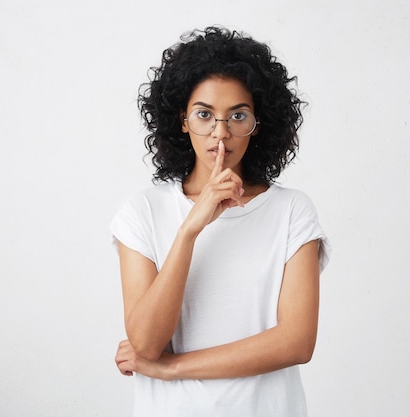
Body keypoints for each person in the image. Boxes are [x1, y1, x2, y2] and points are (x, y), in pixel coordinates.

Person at [110, 26, 331, 417]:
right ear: (182, 119)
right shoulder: (142, 211)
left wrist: (172, 367)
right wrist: (191, 228)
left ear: (257, 124)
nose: (221, 133)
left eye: (238, 116)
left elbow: (296, 342)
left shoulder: (292, 211)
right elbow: (144, 344)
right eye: (205, 115)